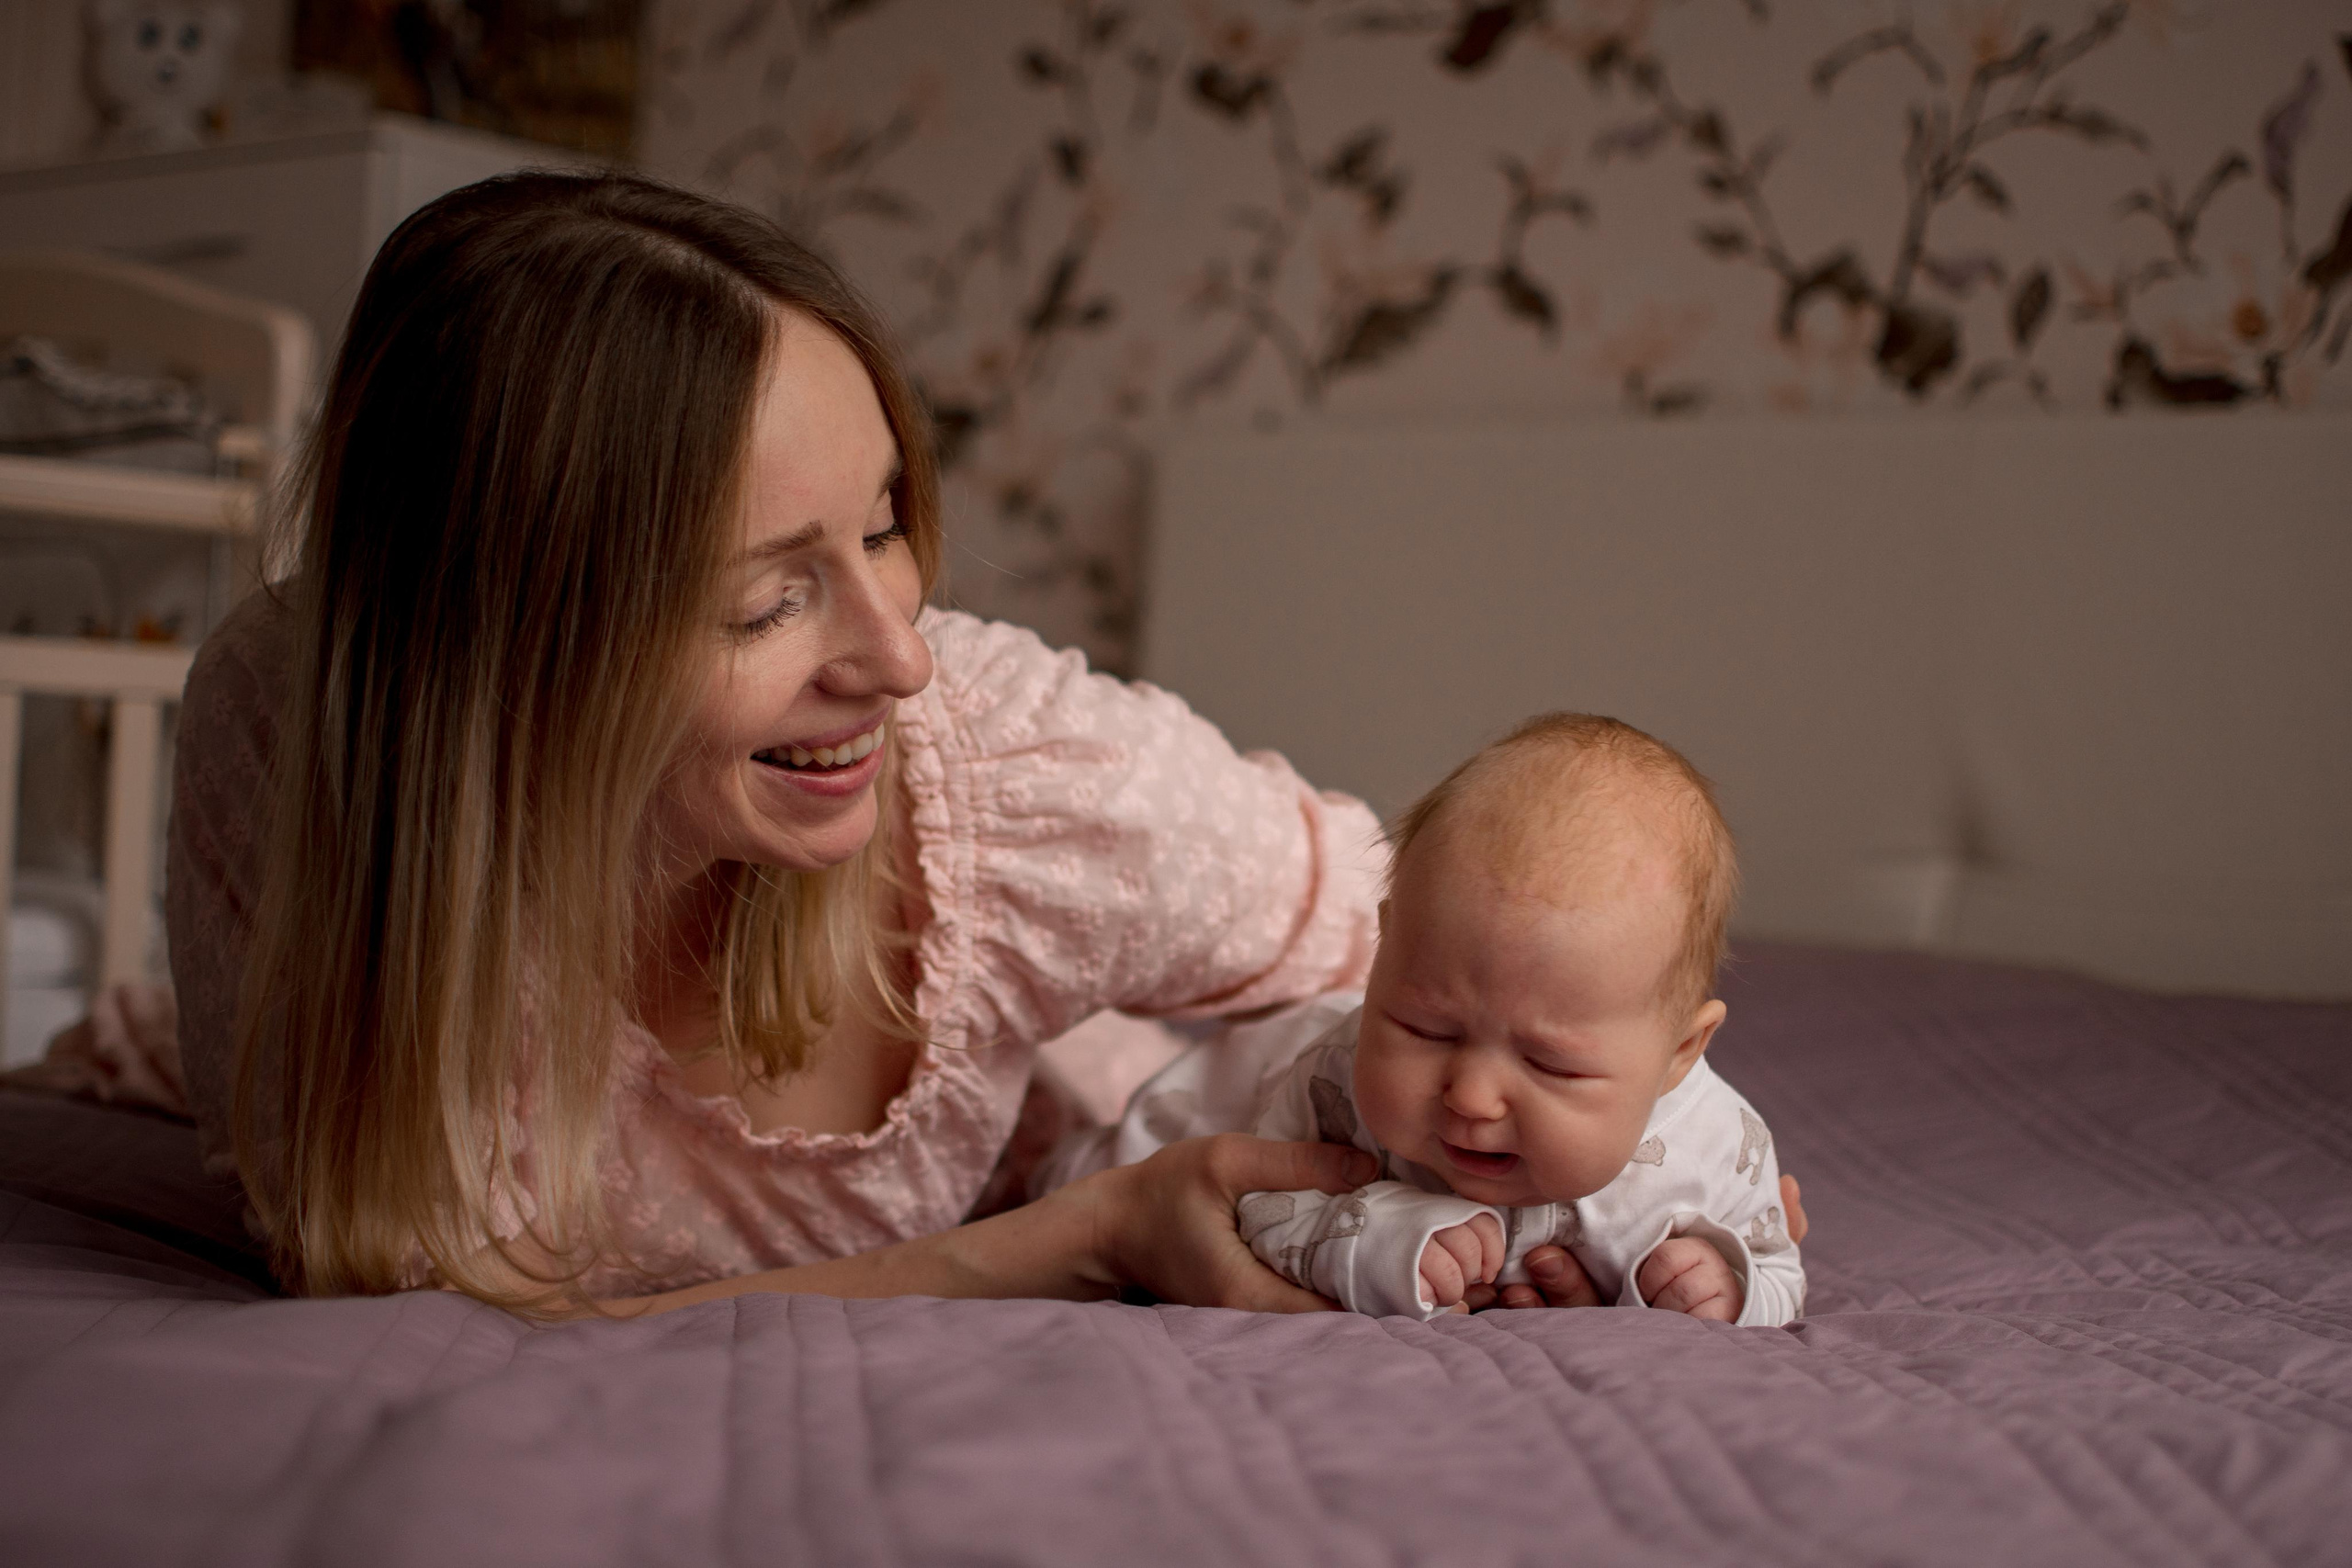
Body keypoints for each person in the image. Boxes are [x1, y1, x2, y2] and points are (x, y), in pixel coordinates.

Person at [165, 171, 1804, 1316]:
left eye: (886, 527)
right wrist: (1079, 1239)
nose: (899, 657)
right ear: (501, 658)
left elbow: (1427, 937)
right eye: (766, 601)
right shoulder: (302, 749)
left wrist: (1661, 1148)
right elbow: (417, 1301)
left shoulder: (1026, 789)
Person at [1042, 715, 1803, 1325]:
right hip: (1183, 1124)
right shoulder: (1331, 1082)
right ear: (1384, 952)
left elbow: (1779, 1269)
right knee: (1069, 1169)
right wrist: (1381, 1239)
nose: (1471, 1095)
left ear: (1680, 1050)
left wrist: (1728, 1287)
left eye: (1549, 1063)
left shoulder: (1714, 1149)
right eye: (1426, 1028)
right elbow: (1247, 1211)